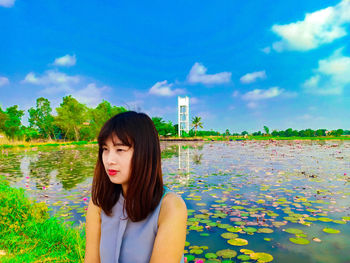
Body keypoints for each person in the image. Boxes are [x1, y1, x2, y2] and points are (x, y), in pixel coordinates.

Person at [84, 111, 187, 263]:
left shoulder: (170, 207)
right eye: (105, 149)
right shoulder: (98, 203)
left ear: (144, 153)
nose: (109, 160)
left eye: (120, 150)